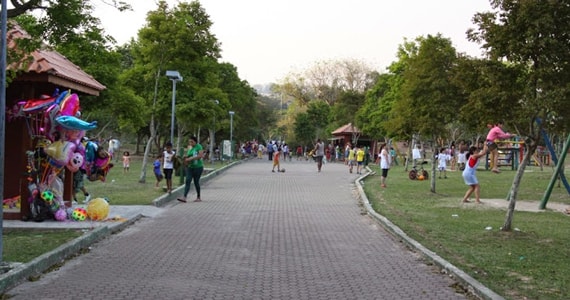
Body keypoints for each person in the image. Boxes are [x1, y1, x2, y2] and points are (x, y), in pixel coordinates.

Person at [178, 136, 204, 203]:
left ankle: (198, 196)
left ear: (195, 141)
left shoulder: (199, 147)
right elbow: (189, 154)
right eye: (189, 142)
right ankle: (184, 197)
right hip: (190, 167)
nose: (190, 143)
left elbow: (200, 155)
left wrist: (191, 158)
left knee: (196, 182)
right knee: (188, 180)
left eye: (192, 142)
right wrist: (186, 157)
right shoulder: (190, 147)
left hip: (198, 167)